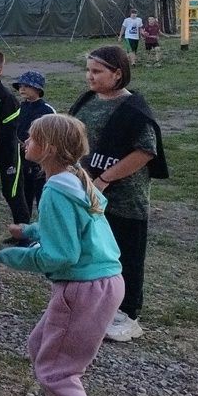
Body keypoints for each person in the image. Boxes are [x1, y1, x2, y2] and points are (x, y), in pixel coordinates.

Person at [0, 114, 124, 396]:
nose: (25, 143)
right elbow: (78, 224)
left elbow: (61, 255)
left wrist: (14, 256)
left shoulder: (54, 190)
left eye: (31, 138)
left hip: (82, 288)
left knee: (57, 370)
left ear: (48, 149)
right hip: (106, 281)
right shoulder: (76, 180)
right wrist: (32, 229)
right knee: (40, 346)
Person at [68, 45, 167, 343]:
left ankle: (128, 314)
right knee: (94, 250)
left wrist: (105, 179)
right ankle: (96, 305)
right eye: (88, 70)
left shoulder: (134, 109)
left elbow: (145, 151)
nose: (90, 76)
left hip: (125, 199)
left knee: (125, 254)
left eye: (97, 71)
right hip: (87, 190)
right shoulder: (88, 100)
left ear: (117, 74)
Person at [0, 49, 30, 225]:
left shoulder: (6, 98)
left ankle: (23, 230)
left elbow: (8, 132)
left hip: (7, 151)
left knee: (12, 191)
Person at [14, 70, 55, 214]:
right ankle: (23, 231)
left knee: (43, 198)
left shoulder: (47, 110)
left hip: (40, 163)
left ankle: (44, 230)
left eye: (27, 86)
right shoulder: (20, 107)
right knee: (23, 198)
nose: (22, 89)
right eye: (20, 86)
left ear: (38, 89)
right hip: (22, 160)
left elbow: (53, 135)